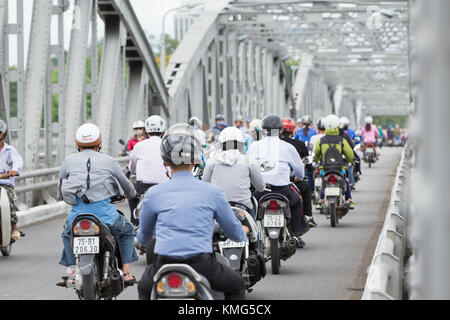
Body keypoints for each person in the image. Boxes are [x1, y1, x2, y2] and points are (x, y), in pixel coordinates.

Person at [136, 123, 248, 300]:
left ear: (165, 161)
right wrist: (242, 233)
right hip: (202, 265)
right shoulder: (213, 192)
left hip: (163, 264)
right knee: (236, 285)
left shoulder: (153, 194)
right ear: (196, 160)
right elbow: (234, 232)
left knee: (143, 288)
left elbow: (143, 237)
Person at [57, 123, 138, 287]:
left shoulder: (68, 161)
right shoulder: (109, 161)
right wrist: (132, 194)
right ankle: (127, 272)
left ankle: (72, 270)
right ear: (99, 142)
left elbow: (60, 188)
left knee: (67, 233)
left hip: (77, 217)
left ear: (77, 143)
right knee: (128, 231)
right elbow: (126, 184)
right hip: (106, 218)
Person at [247, 115, 309, 248]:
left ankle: (252, 237)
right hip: (283, 191)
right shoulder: (287, 147)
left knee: (250, 207)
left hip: (261, 191)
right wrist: (298, 176)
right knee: (297, 201)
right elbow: (299, 171)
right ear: (280, 130)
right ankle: (295, 234)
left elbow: (247, 168)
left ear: (264, 130)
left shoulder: (254, 146)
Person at [203, 127, 265, 219]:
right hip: (243, 209)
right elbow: (260, 187)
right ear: (240, 144)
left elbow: (205, 186)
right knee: (255, 228)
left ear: (221, 144)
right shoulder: (249, 161)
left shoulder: (212, 161)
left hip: (218, 208)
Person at [128, 115, 169, 226]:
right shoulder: (168, 145)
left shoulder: (139, 146)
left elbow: (132, 169)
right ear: (163, 131)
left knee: (131, 194)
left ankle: (135, 223)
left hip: (143, 187)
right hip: (165, 186)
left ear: (146, 131)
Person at [280, 119, 317, 228]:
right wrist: (304, 173)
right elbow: (302, 167)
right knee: (305, 190)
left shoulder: (272, 145)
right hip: (291, 181)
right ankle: (308, 216)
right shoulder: (298, 145)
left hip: (270, 184)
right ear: (293, 131)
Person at [313, 115, 355, 208]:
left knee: (324, 180)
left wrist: (315, 161)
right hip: (339, 168)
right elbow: (350, 154)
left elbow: (315, 154)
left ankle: (320, 199)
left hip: (325, 167)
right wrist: (351, 160)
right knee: (345, 181)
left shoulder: (321, 141)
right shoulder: (342, 140)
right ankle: (349, 199)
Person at [0, 120, 24, 241]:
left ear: (3, 134)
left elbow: (18, 161)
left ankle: (14, 227)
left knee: (8, 200)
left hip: (5, 184)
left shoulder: (10, 150)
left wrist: (14, 170)